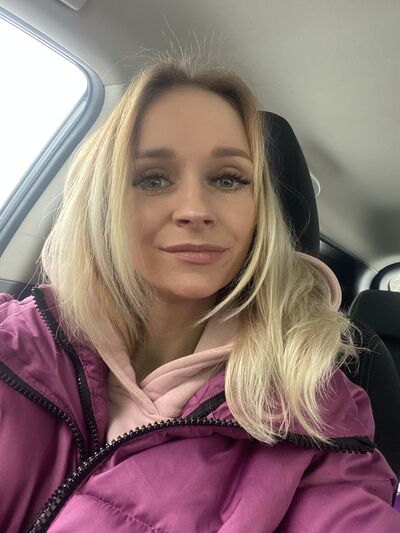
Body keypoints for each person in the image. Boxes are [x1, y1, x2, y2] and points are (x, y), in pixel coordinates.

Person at [0, 54, 399, 533]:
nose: (194, 209)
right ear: (103, 198)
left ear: (259, 212)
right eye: (153, 178)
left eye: (227, 179)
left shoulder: (318, 413)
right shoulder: (11, 342)